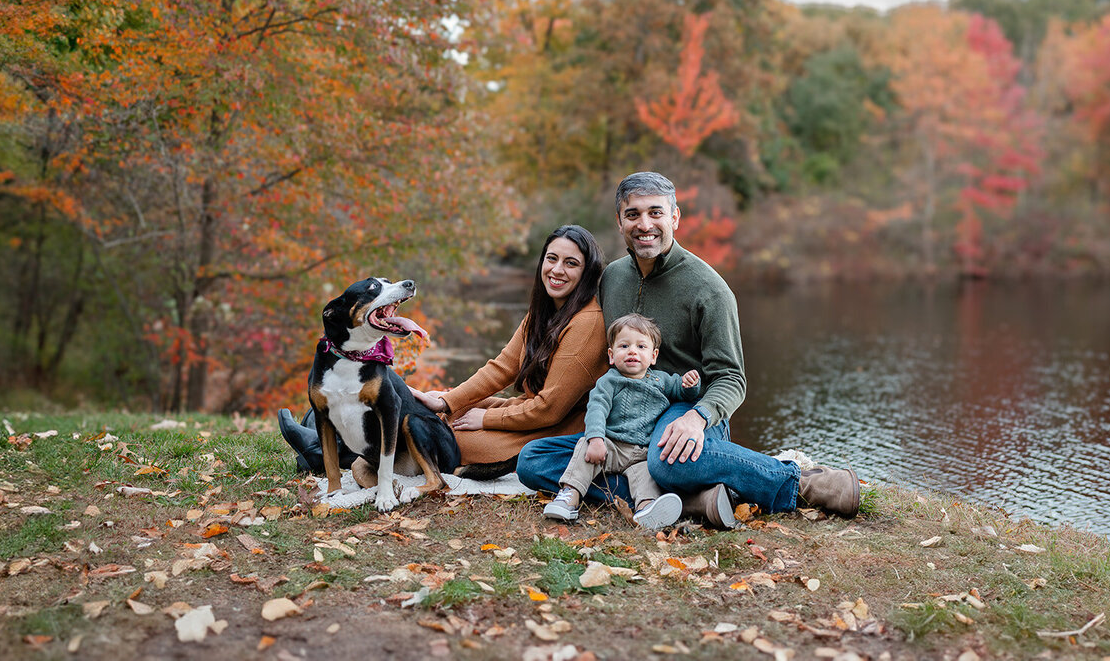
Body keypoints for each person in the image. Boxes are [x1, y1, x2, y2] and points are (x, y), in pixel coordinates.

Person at [517, 172, 860, 526]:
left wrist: (697, 418)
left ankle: (803, 484)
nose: (644, 224)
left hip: (686, 405)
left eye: (656, 212)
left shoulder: (709, 289)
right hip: (628, 418)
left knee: (665, 460)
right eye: (632, 214)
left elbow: (731, 379)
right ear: (619, 222)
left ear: (675, 218)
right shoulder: (612, 279)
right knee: (533, 460)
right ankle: (693, 500)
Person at [278, 224, 611, 474]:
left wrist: (488, 419)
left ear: (586, 272)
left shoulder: (586, 323)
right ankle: (324, 434)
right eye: (552, 259)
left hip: (557, 427)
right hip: (528, 409)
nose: (557, 270)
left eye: (571, 263)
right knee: (439, 413)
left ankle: (324, 454)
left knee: (453, 439)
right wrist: (447, 400)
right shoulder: (544, 312)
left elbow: (549, 410)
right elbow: (501, 369)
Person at [543, 314, 699, 530]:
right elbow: (596, 409)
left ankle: (647, 509)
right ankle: (570, 496)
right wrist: (596, 438)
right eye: (624, 346)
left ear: (653, 356)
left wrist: (690, 385)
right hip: (611, 446)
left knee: (647, 478)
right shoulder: (609, 381)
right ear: (611, 355)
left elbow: (682, 392)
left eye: (641, 346)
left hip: (642, 453)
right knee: (583, 450)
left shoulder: (661, 380)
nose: (632, 351)